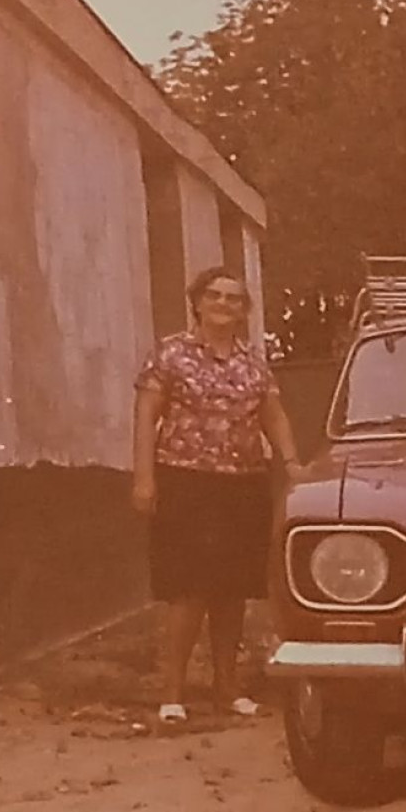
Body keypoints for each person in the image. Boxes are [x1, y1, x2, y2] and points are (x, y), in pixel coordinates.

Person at [132, 266, 301, 726]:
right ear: (198, 303)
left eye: (234, 298)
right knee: (188, 590)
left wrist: (291, 463)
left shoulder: (253, 364)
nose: (224, 305)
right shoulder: (170, 355)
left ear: (245, 310)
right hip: (185, 481)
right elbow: (146, 415)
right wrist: (144, 478)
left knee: (232, 592)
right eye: (215, 296)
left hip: (243, 484)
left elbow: (275, 417)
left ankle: (228, 690)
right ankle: (173, 695)